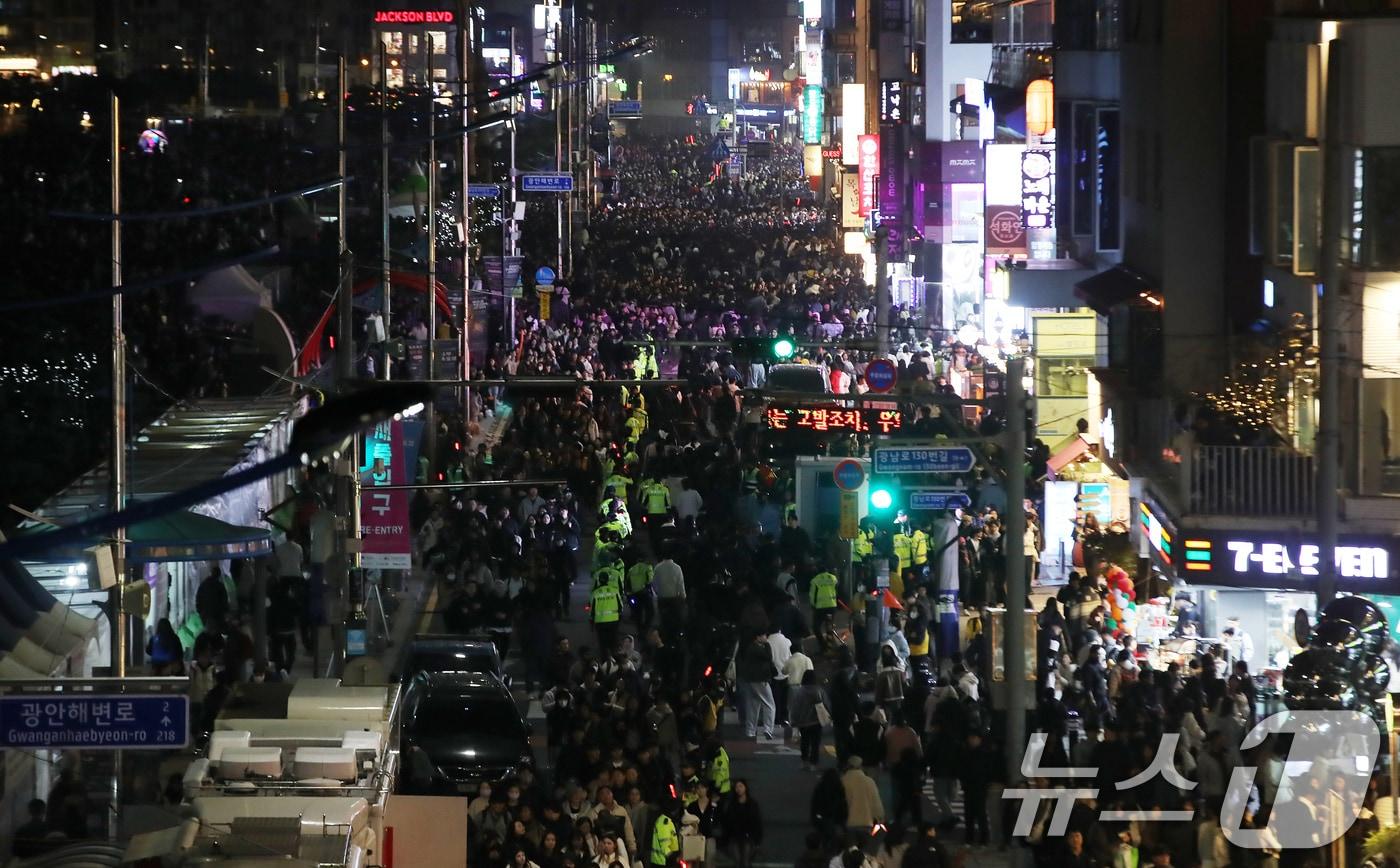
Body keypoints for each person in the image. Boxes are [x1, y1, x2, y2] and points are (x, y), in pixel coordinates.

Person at [737, 633, 778, 740]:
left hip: (750, 680)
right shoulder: (757, 648)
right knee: (770, 704)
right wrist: (768, 645)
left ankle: (750, 731)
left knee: (753, 705)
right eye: (764, 636)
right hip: (760, 679)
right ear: (757, 637)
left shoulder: (750, 648)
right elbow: (768, 656)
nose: (766, 638)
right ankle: (768, 729)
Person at [788, 670, 828, 770]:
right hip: (816, 722)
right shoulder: (819, 690)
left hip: (803, 722)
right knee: (815, 743)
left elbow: (795, 708)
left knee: (804, 742)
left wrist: (793, 721)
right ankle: (813, 764)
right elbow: (826, 704)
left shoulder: (799, 692)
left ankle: (804, 761)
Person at [722, 779, 763, 868]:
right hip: (735, 837)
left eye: (741, 786)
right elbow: (727, 821)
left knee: (745, 861)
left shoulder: (752, 804)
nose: (739, 789)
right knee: (737, 861)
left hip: (748, 837)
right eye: (737, 787)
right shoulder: (732, 804)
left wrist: (757, 840)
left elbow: (757, 822)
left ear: (745, 788)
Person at [840, 756, 884, 836]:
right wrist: (879, 818)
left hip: (848, 823)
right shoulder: (869, 781)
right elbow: (876, 802)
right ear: (861, 766)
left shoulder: (843, 781)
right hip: (866, 823)